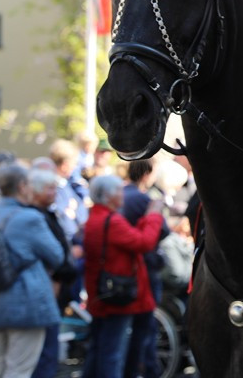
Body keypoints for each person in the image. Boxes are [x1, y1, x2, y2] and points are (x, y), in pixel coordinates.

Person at [0, 163, 64, 378]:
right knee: (19, 369)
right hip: (26, 301)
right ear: (23, 186)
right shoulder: (30, 218)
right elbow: (57, 256)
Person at [83, 174, 164, 378]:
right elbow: (144, 243)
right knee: (112, 351)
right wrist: (154, 215)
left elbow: (131, 240)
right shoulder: (112, 221)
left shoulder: (96, 218)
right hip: (117, 295)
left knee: (99, 348)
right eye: (119, 191)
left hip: (100, 292)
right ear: (109, 196)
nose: (122, 195)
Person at [26, 167, 79, 378]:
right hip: (48, 289)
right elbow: (51, 256)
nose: (55, 193)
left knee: (48, 351)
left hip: (55, 288)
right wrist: (57, 279)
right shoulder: (36, 216)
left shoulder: (47, 213)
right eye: (50, 188)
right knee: (44, 353)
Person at [119, 160, 169, 378]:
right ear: (147, 173)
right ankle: (149, 370)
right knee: (145, 326)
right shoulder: (142, 199)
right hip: (144, 267)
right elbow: (162, 231)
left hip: (124, 269)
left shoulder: (121, 195)